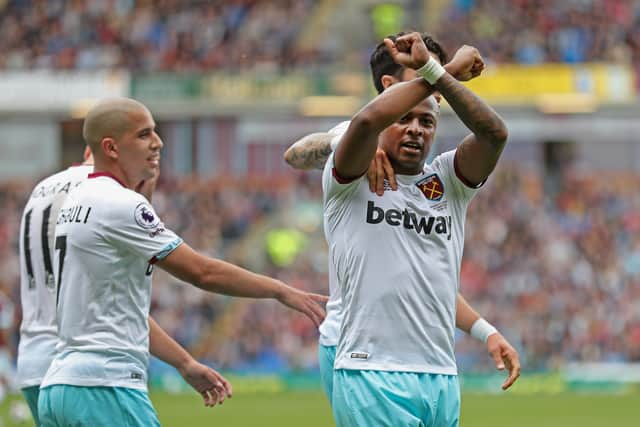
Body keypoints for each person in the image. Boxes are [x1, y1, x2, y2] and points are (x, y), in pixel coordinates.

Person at [37, 98, 327, 427]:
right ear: (111, 148)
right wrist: (280, 290)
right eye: (144, 134)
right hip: (106, 387)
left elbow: (123, 311)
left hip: (61, 386)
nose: (158, 142)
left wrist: (185, 363)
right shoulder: (119, 203)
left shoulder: (76, 201)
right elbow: (202, 272)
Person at [283, 33, 520, 406]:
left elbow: (426, 279)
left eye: (429, 115)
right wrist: (343, 138)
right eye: (426, 72)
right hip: (357, 351)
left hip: (431, 368)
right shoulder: (353, 160)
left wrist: (483, 329)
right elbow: (297, 153)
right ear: (389, 86)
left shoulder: (443, 179)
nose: (438, 90)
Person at [17, 148, 231, 425]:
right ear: (110, 147)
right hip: (88, 367)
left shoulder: (41, 189)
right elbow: (126, 295)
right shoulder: (104, 194)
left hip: (35, 361)